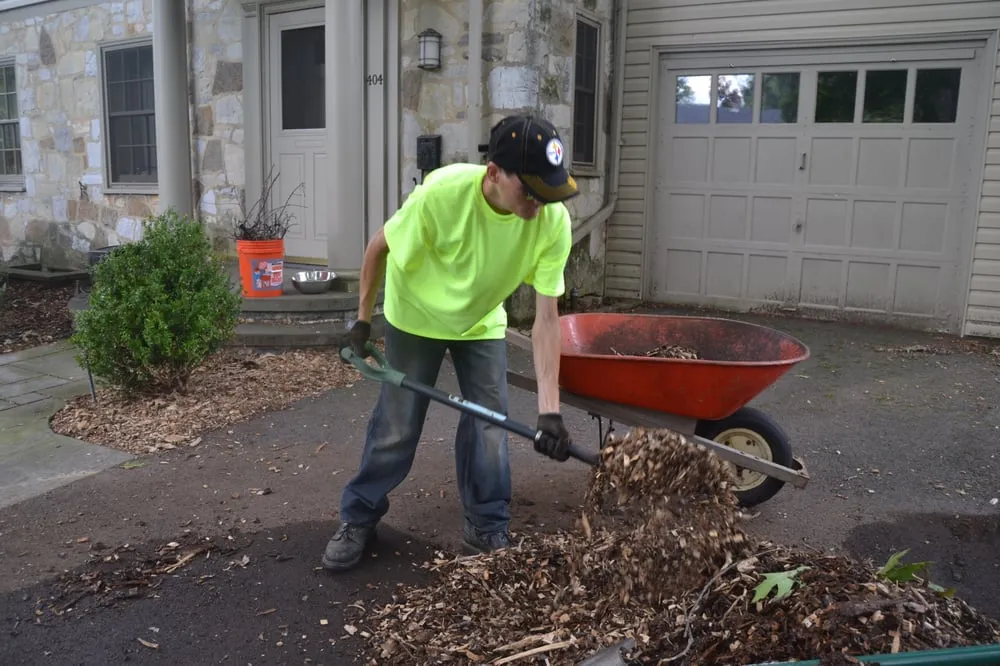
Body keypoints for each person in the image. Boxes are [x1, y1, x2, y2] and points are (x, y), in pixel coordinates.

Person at [322, 114, 580, 572]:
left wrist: (550, 411)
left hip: (479, 321)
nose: (541, 203)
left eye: (550, 191)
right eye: (532, 190)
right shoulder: (443, 194)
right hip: (416, 314)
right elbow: (378, 246)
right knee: (398, 427)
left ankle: (486, 526)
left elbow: (545, 320)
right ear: (494, 174)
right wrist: (362, 322)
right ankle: (358, 515)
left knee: (490, 426)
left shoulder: (550, 221)